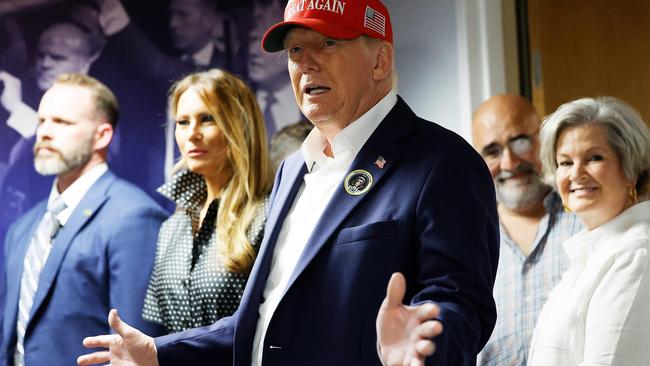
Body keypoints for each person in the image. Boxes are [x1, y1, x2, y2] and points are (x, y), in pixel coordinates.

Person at [77, 1, 499, 365]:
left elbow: (461, 305)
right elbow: (264, 317)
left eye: (329, 43)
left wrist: (426, 348)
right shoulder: (293, 169)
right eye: (296, 49)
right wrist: (158, 352)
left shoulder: (444, 162)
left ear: (380, 60)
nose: (305, 62)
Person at [0, 73, 166, 366]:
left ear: (102, 135)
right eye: (42, 121)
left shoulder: (133, 217)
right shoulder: (22, 228)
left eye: (62, 122)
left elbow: (137, 349)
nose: (45, 132)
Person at [142, 69, 273, 333]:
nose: (192, 133)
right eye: (182, 122)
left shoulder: (267, 215)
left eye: (207, 119)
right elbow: (159, 328)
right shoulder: (173, 226)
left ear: (240, 126)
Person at [527, 96, 650, 365]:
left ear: (631, 169)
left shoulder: (637, 254)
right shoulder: (592, 254)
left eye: (594, 158)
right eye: (565, 162)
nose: (576, 174)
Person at [471, 94, 582, 365]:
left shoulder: (587, 219)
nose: (510, 163)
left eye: (520, 142)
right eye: (493, 152)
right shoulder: (466, 237)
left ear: (544, 140)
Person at [247, 0, 303, 138]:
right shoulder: (237, 106)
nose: (253, 51)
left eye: (264, 41)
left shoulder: (318, 102)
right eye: (253, 39)